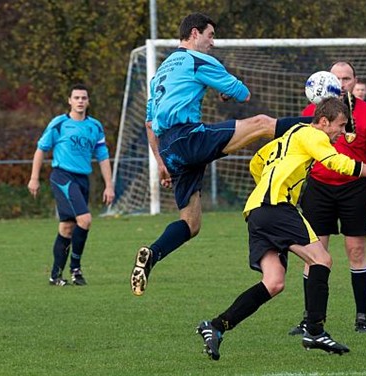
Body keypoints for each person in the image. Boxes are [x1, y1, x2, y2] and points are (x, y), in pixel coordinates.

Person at [196, 97, 366, 360]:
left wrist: (268, 186)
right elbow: (340, 164)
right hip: (276, 207)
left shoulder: (287, 137)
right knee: (321, 258)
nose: (342, 132)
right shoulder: (313, 134)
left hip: (256, 211)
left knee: (274, 282)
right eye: (340, 125)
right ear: (323, 122)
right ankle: (314, 330)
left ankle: (216, 326)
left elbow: (256, 161)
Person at [130, 12, 310, 296]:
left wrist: (160, 163)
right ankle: (320, 125)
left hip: (167, 147)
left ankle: (152, 255)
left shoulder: (161, 71)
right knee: (262, 124)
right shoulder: (197, 60)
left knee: (191, 224)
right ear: (194, 33)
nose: (213, 42)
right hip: (187, 137)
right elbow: (243, 93)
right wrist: (226, 91)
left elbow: (150, 123)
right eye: (210, 35)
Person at [289, 61, 366, 335]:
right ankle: (311, 319)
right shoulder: (310, 113)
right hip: (318, 189)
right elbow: (297, 155)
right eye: (336, 78)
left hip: (355, 190)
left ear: (355, 81)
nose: (342, 83)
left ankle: (361, 317)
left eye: (346, 78)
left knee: (356, 252)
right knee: (313, 254)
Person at [28, 83, 115, 286]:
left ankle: (55, 276)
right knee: (84, 220)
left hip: (82, 179)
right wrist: (34, 177)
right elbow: (41, 149)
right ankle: (76, 269)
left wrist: (109, 185)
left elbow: (103, 157)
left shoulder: (95, 126)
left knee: (67, 228)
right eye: (76, 98)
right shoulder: (59, 124)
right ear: (69, 100)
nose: (80, 101)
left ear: (88, 101)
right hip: (63, 177)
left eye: (83, 98)